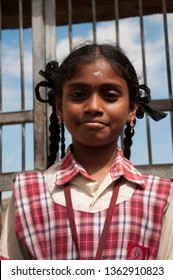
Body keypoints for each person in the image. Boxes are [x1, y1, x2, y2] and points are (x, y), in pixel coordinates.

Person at [0, 43, 173, 260]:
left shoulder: (160, 197)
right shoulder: (27, 193)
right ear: (60, 106)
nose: (93, 106)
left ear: (132, 108)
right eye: (79, 95)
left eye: (110, 95)